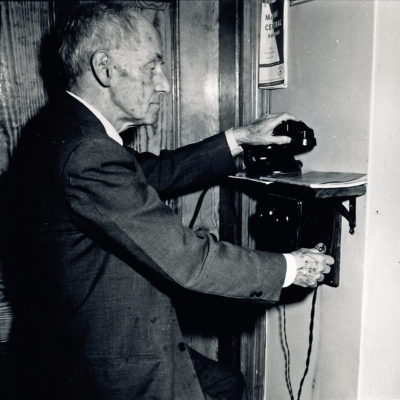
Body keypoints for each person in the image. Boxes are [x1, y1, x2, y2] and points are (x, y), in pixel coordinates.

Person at [7, 3, 334, 400]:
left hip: (82, 337)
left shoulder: (62, 126)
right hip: (105, 363)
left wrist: (238, 138)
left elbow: (151, 173)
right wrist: (290, 267)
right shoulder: (85, 150)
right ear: (105, 68)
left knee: (225, 384)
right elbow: (187, 261)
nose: (163, 83)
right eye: (152, 67)